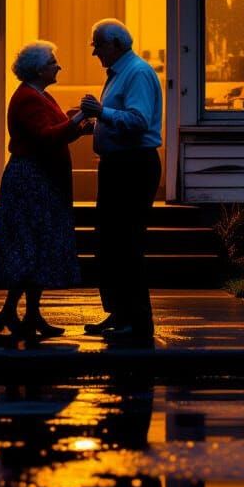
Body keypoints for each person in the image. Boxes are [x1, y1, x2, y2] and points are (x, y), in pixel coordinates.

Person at [0, 40, 91, 340]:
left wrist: (75, 123)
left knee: (37, 246)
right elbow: (46, 136)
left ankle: (28, 314)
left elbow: (54, 130)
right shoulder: (29, 99)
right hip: (32, 180)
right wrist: (79, 118)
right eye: (53, 62)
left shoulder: (39, 95)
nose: (58, 66)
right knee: (30, 245)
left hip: (40, 178)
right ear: (38, 68)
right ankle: (14, 310)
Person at [79, 19, 163, 343]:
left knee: (127, 243)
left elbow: (139, 121)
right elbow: (121, 118)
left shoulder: (137, 73)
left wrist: (102, 113)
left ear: (114, 44)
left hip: (133, 166)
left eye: (97, 45)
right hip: (117, 165)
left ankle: (137, 320)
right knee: (109, 242)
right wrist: (95, 125)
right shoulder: (119, 74)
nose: (95, 52)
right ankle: (119, 312)